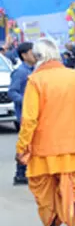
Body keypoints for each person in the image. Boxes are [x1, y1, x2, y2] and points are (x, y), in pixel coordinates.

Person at [15, 38, 75, 226]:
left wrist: (22, 147)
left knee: (45, 192)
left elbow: (29, 119)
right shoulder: (74, 76)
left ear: (39, 57)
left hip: (43, 149)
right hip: (72, 146)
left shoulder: (36, 80)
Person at [8, 42, 36, 185]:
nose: (35, 55)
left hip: (34, 114)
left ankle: (28, 171)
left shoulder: (35, 70)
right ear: (24, 55)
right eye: (32, 52)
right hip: (24, 115)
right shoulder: (20, 72)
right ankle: (20, 174)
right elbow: (12, 92)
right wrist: (27, 101)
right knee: (25, 144)